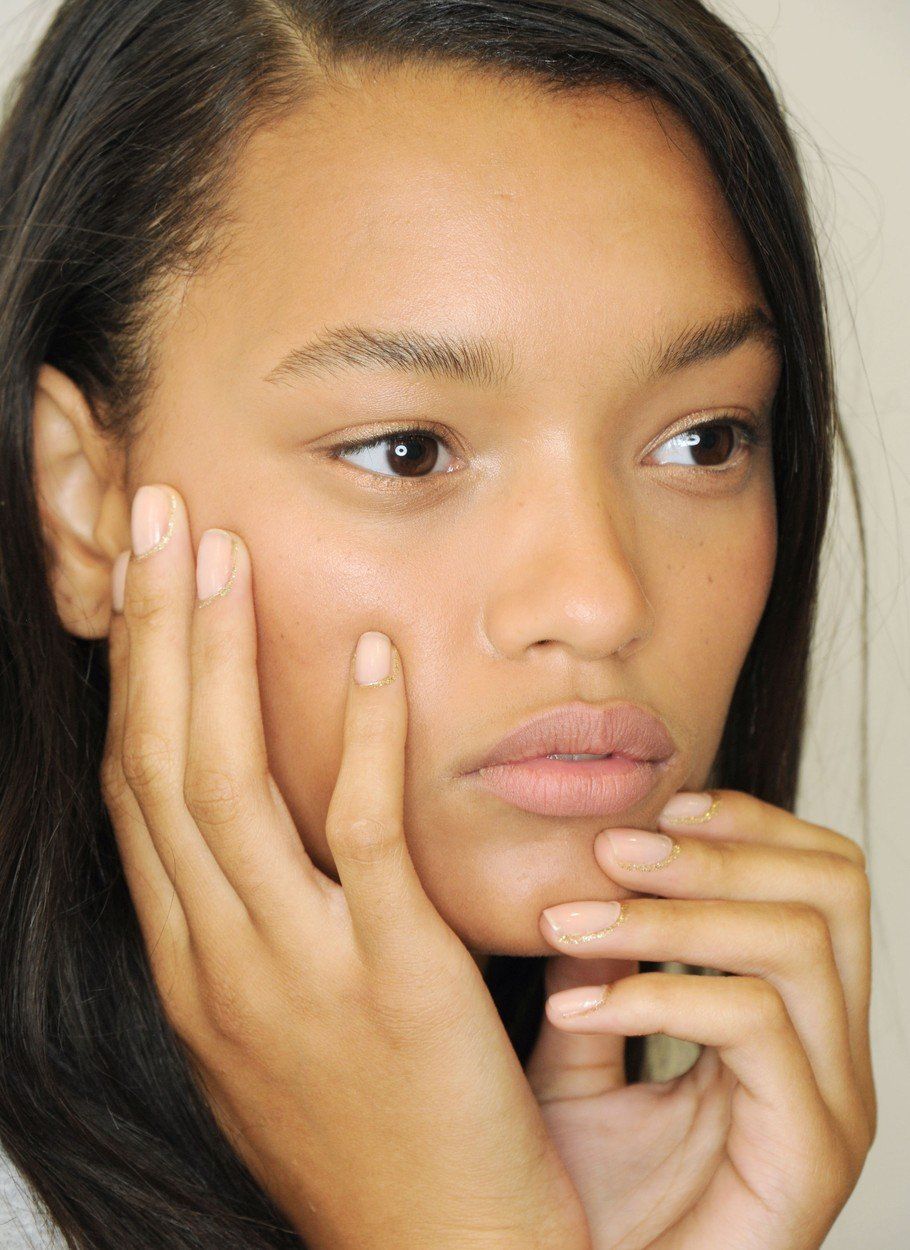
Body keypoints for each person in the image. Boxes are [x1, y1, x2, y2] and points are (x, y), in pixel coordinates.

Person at [0, 1, 875, 1247]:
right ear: (83, 507)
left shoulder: (653, 1169)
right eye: (407, 451)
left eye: (702, 439)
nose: (599, 599)